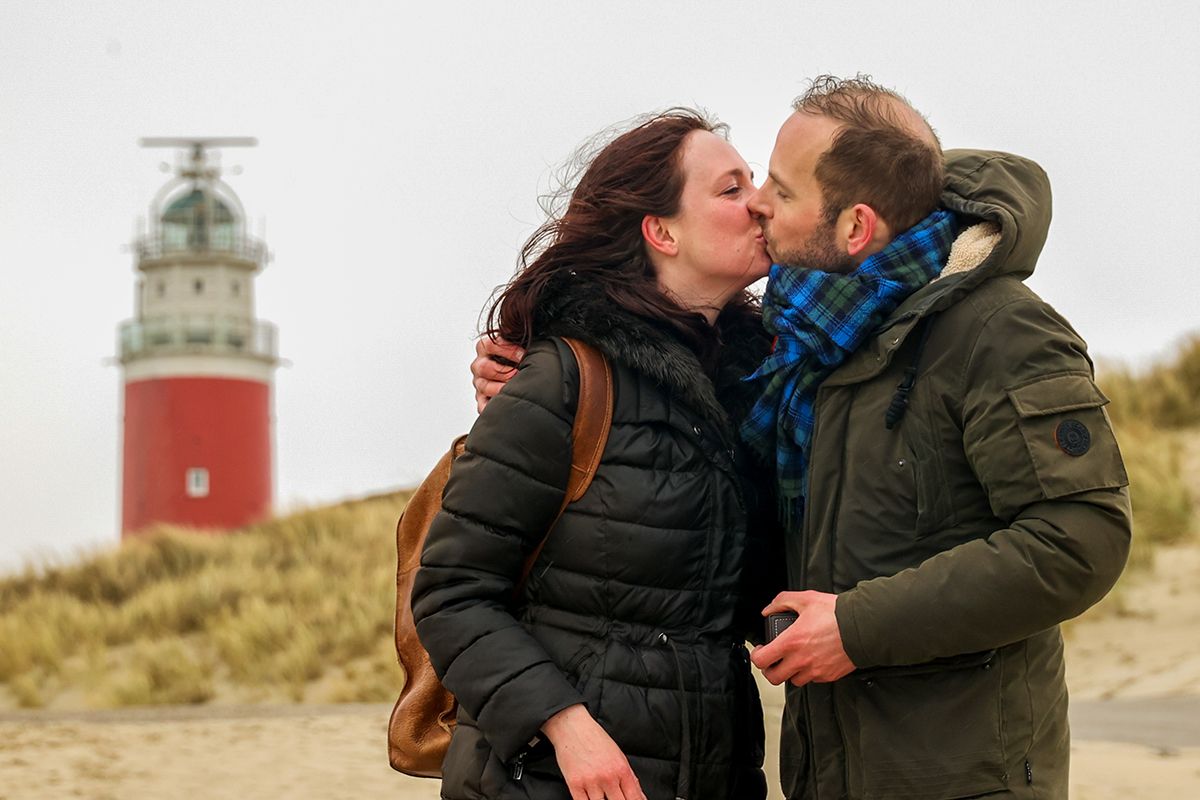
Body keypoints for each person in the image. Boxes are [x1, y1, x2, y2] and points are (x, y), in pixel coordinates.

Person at [474, 76, 1133, 800]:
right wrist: (540, 389)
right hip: (824, 769)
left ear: (854, 227)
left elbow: (1082, 537)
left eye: (779, 191)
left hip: (964, 773)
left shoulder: (997, 331)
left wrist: (856, 626)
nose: (759, 203)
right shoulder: (791, 351)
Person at [412, 108, 782, 800]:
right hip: (554, 779)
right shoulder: (563, 381)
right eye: (730, 189)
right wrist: (567, 728)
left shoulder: (757, 386)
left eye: (755, 183)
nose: (759, 202)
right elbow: (452, 592)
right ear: (661, 231)